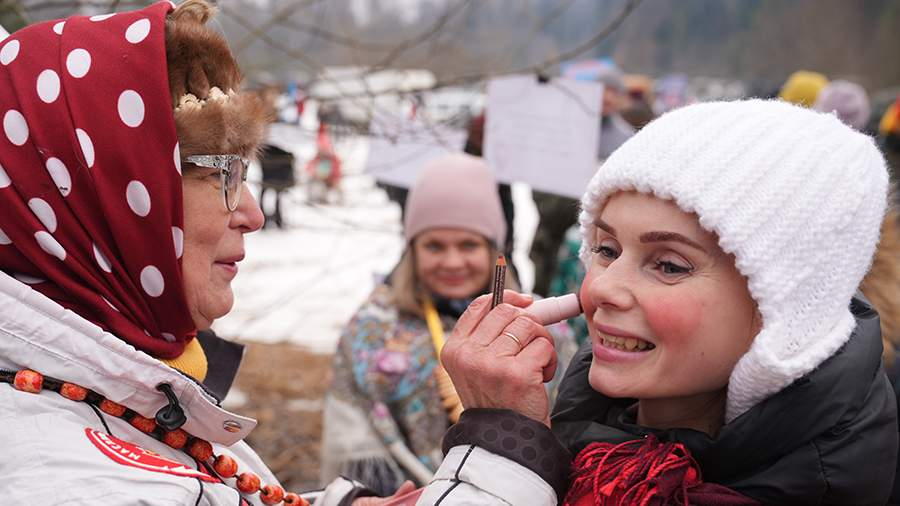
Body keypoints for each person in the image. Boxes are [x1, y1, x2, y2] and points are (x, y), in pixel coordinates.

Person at [0, 2, 412, 504]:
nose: (253, 215)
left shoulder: (116, 384)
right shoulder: (67, 482)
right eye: (222, 175)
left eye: (244, 172)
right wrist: (503, 444)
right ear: (103, 194)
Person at [418, 100, 897, 504]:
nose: (601, 287)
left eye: (669, 265)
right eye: (606, 250)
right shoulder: (599, 427)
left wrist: (500, 451)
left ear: (780, 306)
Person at [320, 153, 577, 496]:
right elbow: (353, 440)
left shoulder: (542, 329)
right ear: (412, 249)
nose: (452, 261)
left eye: (469, 244)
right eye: (435, 246)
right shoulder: (370, 332)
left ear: (494, 250)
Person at [530, 63, 635, 297]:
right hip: (552, 232)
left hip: (599, 237)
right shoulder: (563, 131)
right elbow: (539, 180)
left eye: (613, 91)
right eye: (601, 89)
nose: (606, 97)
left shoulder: (627, 137)